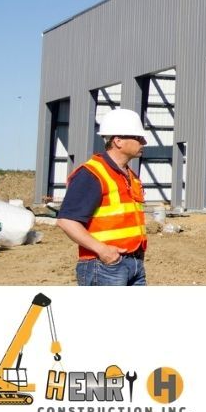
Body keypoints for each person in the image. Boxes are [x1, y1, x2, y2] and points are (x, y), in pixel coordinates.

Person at [56, 107, 149, 286]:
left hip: (134, 262)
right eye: (138, 138)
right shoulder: (92, 174)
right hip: (105, 265)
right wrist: (103, 251)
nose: (144, 142)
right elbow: (66, 221)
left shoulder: (130, 176)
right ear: (118, 141)